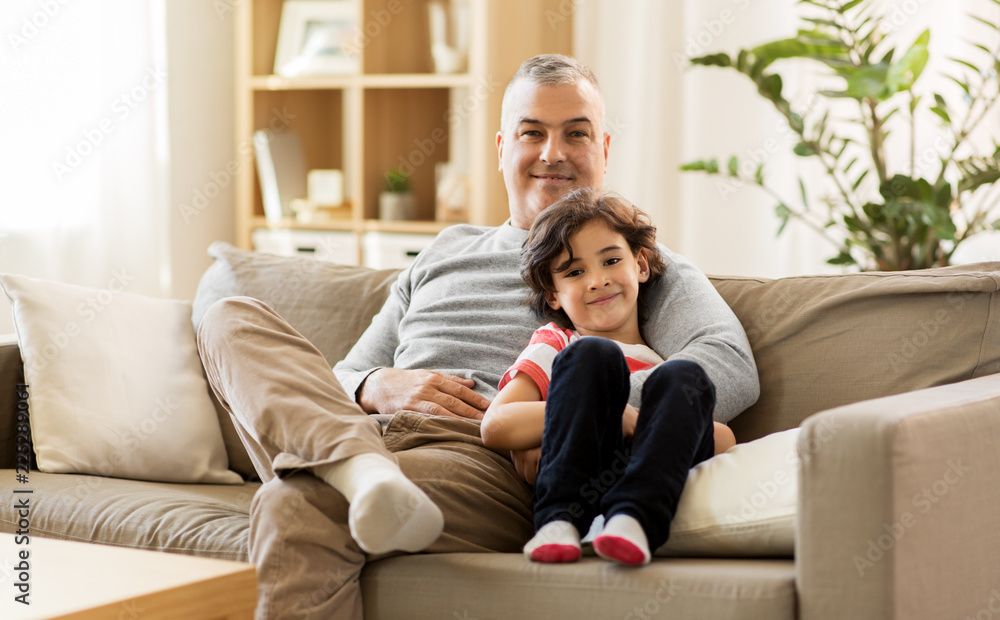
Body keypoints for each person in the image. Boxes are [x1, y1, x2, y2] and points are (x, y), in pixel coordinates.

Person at [197, 54, 759, 620]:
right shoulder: (443, 251)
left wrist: (575, 419)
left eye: (576, 134)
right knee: (228, 317)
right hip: (361, 434)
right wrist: (376, 386)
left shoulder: (623, 264)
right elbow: (337, 376)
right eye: (531, 133)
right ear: (500, 149)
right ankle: (358, 471)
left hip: (478, 458)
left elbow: (725, 364)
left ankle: (354, 477)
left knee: (296, 505)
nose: (552, 154)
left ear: (604, 150)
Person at [481, 189, 737, 566]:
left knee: (687, 375)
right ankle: (558, 521)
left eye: (611, 260)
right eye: (575, 272)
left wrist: (658, 424)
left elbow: (725, 440)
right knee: (592, 354)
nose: (597, 281)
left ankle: (633, 519)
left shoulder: (659, 366)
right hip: (578, 478)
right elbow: (496, 425)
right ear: (554, 294)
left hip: (645, 487)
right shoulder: (558, 343)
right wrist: (617, 414)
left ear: (641, 266)